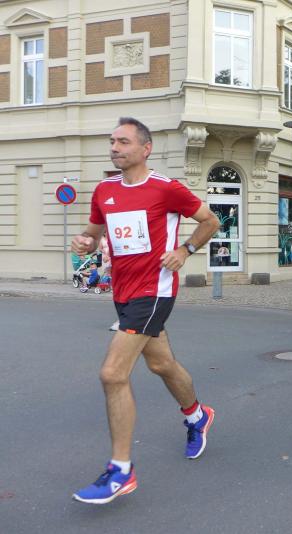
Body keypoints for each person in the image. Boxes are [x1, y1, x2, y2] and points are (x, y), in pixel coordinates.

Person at [70, 117, 220, 504]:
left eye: (123, 141)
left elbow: (210, 221)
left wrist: (185, 249)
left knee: (112, 374)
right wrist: (85, 242)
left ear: (145, 148)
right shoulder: (104, 190)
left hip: (154, 291)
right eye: (112, 141)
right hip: (122, 291)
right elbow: (94, 233)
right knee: (161, 364)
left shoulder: (166, 188)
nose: (114, 147)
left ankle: (121, 471)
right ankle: (197, 415)